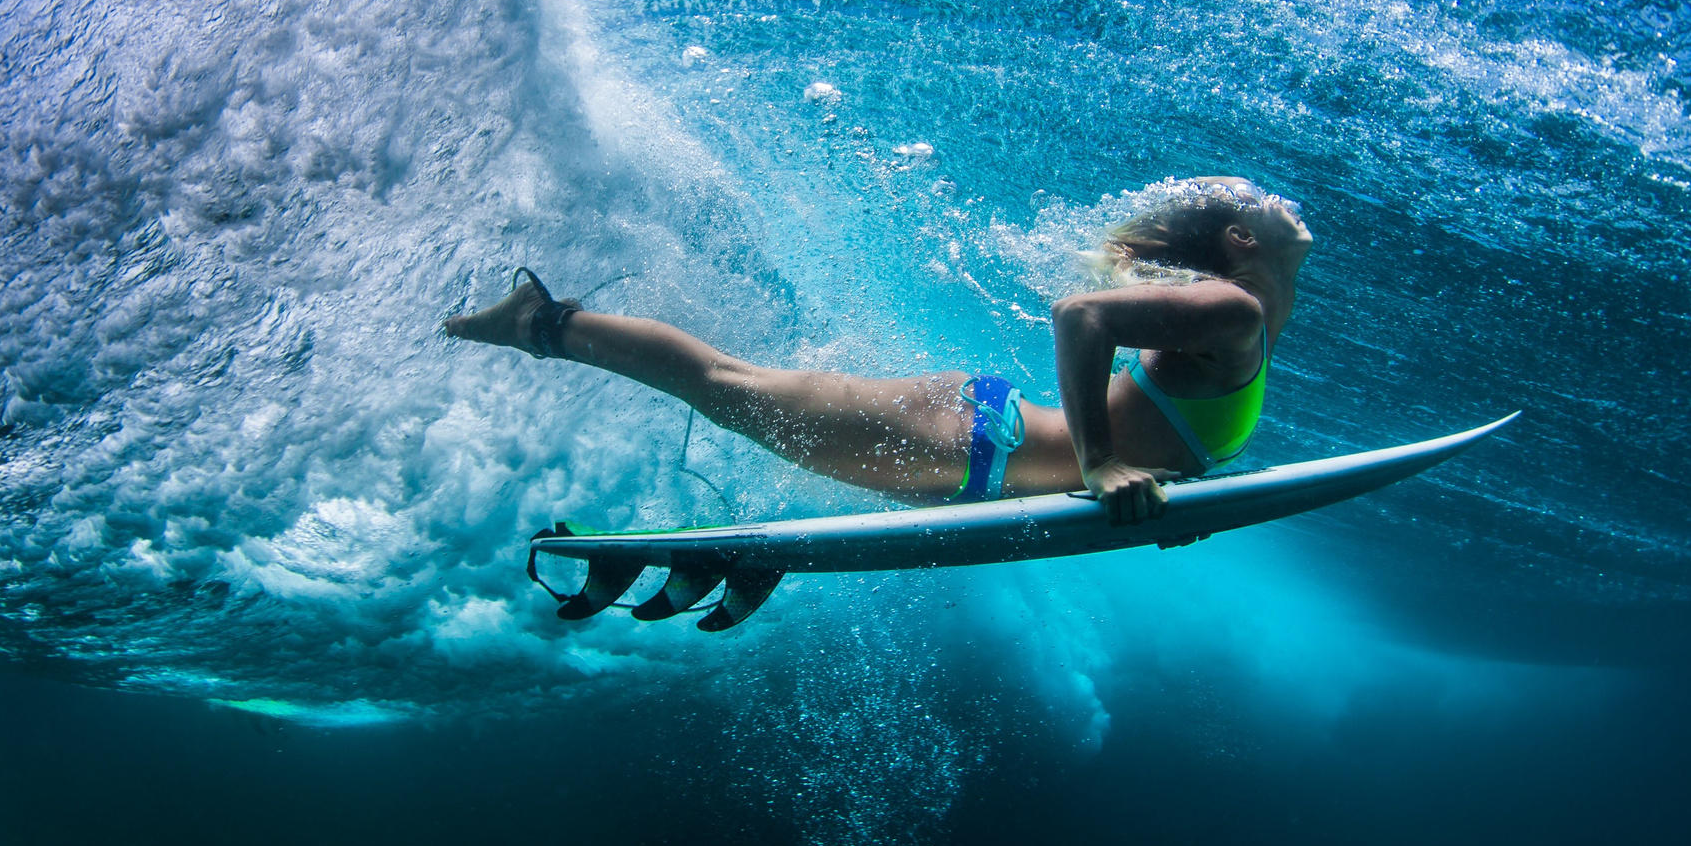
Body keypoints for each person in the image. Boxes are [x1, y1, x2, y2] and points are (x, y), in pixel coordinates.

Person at [442, 177, 1312, 526]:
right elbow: (1081, 314)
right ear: (1241, 240)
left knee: (750, 406)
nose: (1286, 204)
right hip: (973, 440)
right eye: (1266, 201)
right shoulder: (1236, 309)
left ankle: (753, 546)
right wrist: (1101, 464)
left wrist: (1164, 487)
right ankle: (541, 320)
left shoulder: (1241, 313)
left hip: (976, 453)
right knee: (727, 386)